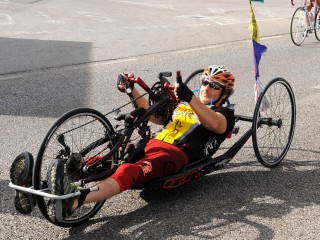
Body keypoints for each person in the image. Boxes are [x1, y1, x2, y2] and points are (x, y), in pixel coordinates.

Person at [11, 65, 236, 221]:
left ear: (224, 92)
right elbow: (153, 116)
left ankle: (74, 201)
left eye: (214, 85)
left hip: (176, 155)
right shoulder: (186, 104)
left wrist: (190, 98)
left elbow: (216, 125)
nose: (206, 87)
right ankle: (36, 189)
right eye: (205, 82)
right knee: (104, 160)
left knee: (129, 170)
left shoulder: (224, 113)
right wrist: (131, 89)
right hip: (153, 144)